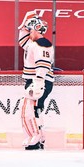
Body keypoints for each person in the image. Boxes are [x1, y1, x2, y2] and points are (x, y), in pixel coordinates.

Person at [18, 12, 54, 150]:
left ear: (36, 30)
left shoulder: (42, 44)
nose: (29, 32)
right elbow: (22, 41)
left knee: (30, 110)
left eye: (31, 30)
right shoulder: (33, 43)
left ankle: (36, 137)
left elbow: (43, 65)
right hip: (35, 81)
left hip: (39, 81)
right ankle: (39, 137)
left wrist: (39, 83)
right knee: (35, 109)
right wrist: (25, 23)